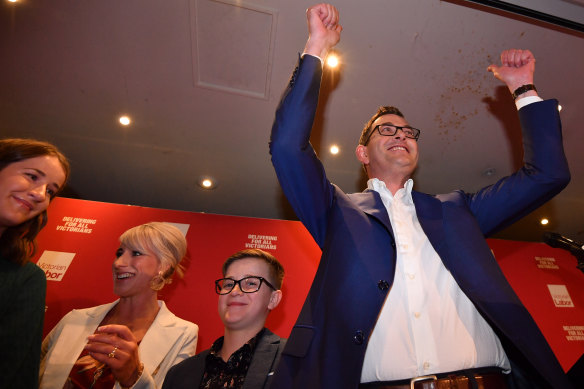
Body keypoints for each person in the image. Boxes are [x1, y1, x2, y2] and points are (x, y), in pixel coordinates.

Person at [269, 3, 572, 389]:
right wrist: (317, 47)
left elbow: (548, 174)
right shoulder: (335, 212)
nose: (402, 135)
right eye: (387, 130)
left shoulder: (458, 211)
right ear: (362, 154)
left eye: (409, 132)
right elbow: (286, 147)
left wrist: (523, 89)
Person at [39, 222, 198, 389]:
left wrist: (134, 378)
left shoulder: (183, 335)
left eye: (136, 253)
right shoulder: (74, 318)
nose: (118, 263)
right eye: (119, 253)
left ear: (164, 267)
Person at [0, 138, 69, 389]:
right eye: (32, 176)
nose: (40, 195)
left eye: (51, 190)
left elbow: (15, 374)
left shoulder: (25, 279)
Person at [162, 249, 286, 389]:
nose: (234, 291)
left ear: (273, 299)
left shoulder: (293, 363)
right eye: (228, 284)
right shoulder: (180, 373)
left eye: (250, 283)